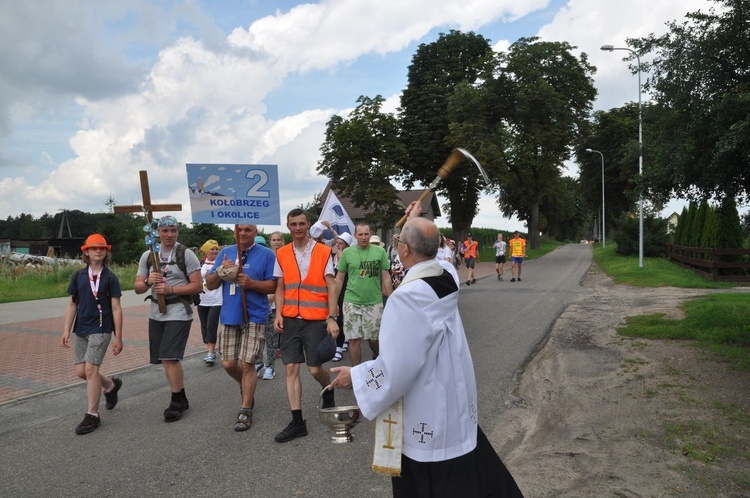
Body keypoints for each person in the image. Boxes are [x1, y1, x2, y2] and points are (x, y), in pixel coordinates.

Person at [329, 202, 524, 497]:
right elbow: (435, 253)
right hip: (453, 397)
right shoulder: (446, 276)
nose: (396, 247)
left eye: (399, 243)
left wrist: (355, 377)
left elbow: (398, 368)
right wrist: (417, 217)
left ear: (405, 251)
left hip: (428, 411)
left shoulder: (407, 297)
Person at [273, 209, 340, 443]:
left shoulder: (323, 251)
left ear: (308, 225)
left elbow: (331, 286)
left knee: (314, 369)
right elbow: (280, 287)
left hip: (315, 319)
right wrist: (278, 314)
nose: (298, 228)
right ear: (288, 226)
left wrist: (332, 317)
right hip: (290, 319)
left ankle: (328, 388)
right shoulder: (281, 253)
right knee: (291, 368)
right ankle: (298, 422)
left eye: (302, 223)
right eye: (293, 224)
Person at [205, 224, 276, 432]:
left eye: (248, 230)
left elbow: (273, 286)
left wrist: (252, 283)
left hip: (255, 315)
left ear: (255, 232)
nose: (243, 233)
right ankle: (246, 387)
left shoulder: (266, 254)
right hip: (230, 315)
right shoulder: (226, 252)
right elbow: (210, 284)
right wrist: (220, 271)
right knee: (228, 364)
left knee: (247, 364)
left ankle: (245, 408)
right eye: (240, 230)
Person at [135, 216, 202, 423]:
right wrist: (148, 281)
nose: (170, 234)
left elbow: (198, 286)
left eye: (173, 230)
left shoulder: (186, 254)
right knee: (165, 358)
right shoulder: (149, 255)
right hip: (156, 311)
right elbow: (137, 287)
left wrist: (171, 288)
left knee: (170, 357)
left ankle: (175, 401)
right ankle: (181, 397)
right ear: (157, 233)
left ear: (178, 232)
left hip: (179, 311)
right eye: (165, 231)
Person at [61, 234, 123, 435]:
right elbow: (72, 304)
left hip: (102, 328)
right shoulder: (78, 276)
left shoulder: (111, 277)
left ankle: (92, 415)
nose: (98, 251)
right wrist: (65, 330)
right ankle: (111, 386)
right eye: (94, 248)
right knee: (82, 372)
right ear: (86, 251)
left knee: (90, 370)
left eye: (102, 248)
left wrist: (118, 337)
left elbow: (116, 308)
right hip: (82, 329)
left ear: (106, 252)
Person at [334, 222, 393, 366]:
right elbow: (339, 278)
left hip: (374, 301)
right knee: (354, 339)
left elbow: (385, 276)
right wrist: (334, 302)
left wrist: (392, 299)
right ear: (355, 236)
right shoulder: (348, 253)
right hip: (351, 301)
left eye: (366, 234)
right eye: (360, 234)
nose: (363, 237)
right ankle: (356, 374)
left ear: (371, 234)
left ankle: (378, 359)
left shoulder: (380, 252)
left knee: (373, 339)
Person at [258, 232, 284, 380]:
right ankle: (258, 362)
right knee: (257, 337)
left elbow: (283, 282)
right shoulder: (261, 259)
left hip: (275, 305)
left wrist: (274, 295)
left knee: (271, 338)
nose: (276, 242)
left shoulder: (283, 256)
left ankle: (271, 366)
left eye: (278, 239)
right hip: (259, 305)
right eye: (273, 240)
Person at [198, 239, 222, 366]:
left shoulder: (221, 262)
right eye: (212, 249)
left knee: (211, 325)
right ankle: (209, 350)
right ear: (206, 251)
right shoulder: (200, 263)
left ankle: (211, 352)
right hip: (202, 300)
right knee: (204, 325)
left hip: (217, 300)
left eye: (216, 249)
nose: (214, 251)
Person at [332, 232, 354, 362]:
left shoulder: (349, 256)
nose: (338, 246)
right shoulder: (332, 256)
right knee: (338, 318)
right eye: (337, 243)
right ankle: (339, 347)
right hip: (336, 292)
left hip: (348, 291)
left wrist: (341, 258)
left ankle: (342, 343)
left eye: (341, 244)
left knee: (345, 318)